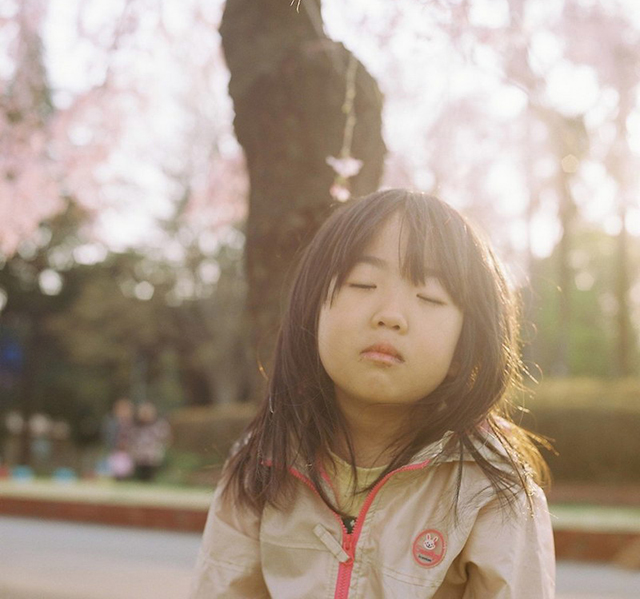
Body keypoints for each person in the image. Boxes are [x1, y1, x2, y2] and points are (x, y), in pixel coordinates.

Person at [189, 189, 555, 598]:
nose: (390, 315)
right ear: (312, 310)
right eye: (363, 283)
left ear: (465, 344)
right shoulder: (262, 463)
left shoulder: (490, 489)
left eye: (429, 297)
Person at [130, 401, 171, 482]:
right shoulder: (136, 426)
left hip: (152, 451)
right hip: (140, 451)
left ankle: (151, 479)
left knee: (152, 459)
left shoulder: (159, 425)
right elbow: (132, 438)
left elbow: (165, 437)